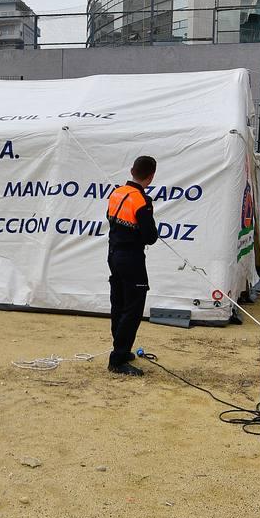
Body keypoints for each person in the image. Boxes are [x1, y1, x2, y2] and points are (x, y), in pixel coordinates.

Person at [106, 155, 158, 376]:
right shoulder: (142, 201)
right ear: (151, 175)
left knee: (118, 303)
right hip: (131, 258)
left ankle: (121, 349)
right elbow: (150, 237)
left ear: (132, 171)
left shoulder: (116, 193)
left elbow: (111, 220)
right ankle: (118, 359)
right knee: (133, 307)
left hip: (114, 253)